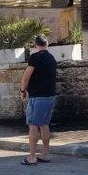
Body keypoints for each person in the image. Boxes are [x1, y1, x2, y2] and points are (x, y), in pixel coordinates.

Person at [19, 35, 57, 166]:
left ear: (36, 45)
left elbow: (26, 77)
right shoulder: (52, 58)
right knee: (44, 124)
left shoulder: (35, 57)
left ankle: (32, 157)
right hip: (50, 96)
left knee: (33, 125)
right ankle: (45, 155)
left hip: (38, 97)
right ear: (47, 44)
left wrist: (22, 91)